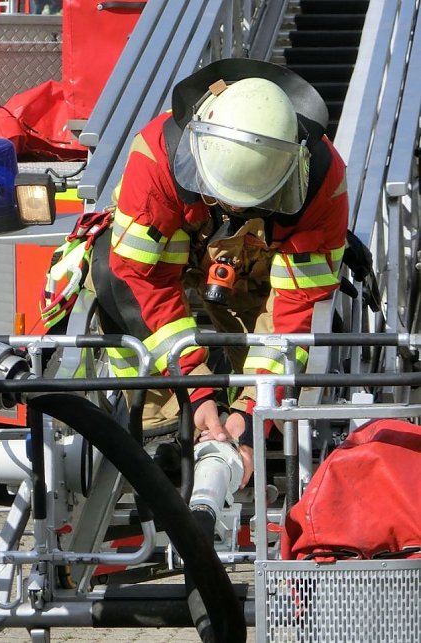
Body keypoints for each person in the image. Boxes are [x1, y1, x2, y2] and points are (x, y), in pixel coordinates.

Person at [90, 58, 348, 488]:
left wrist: (254, 412)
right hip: (173, 250)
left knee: (269, 383)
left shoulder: (322, 182)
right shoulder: (157, 157)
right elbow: (140, 277)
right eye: (222, 197)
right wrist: (193, 386)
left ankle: (247, 430)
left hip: (260, 265)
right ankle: (162, 423)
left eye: (248, 202)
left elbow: (295, 309)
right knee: (108, 267)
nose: (233, 209)